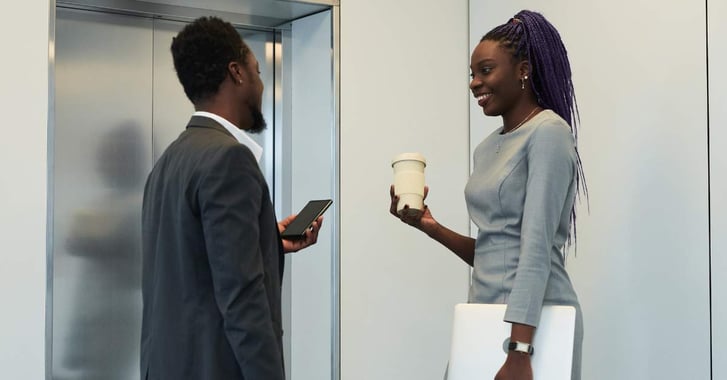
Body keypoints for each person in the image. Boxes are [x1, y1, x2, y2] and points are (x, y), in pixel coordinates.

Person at [390, 10, 585, 380]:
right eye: (472, 74)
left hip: (534, 323)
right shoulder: (486, 148)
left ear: (523, 70)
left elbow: (536, 248)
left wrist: (520, 350)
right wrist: (430, 226)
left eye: (486, 70)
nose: (475, 83)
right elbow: (494, 251)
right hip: (482, 315)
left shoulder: (548, 133)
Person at [141, 16, 322, 380]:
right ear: (237, 73)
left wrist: (267, 241)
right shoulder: (230, 159)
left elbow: (192, 259)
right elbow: (242, 299)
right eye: (257, 71)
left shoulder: (168, 161)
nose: (260, 84)